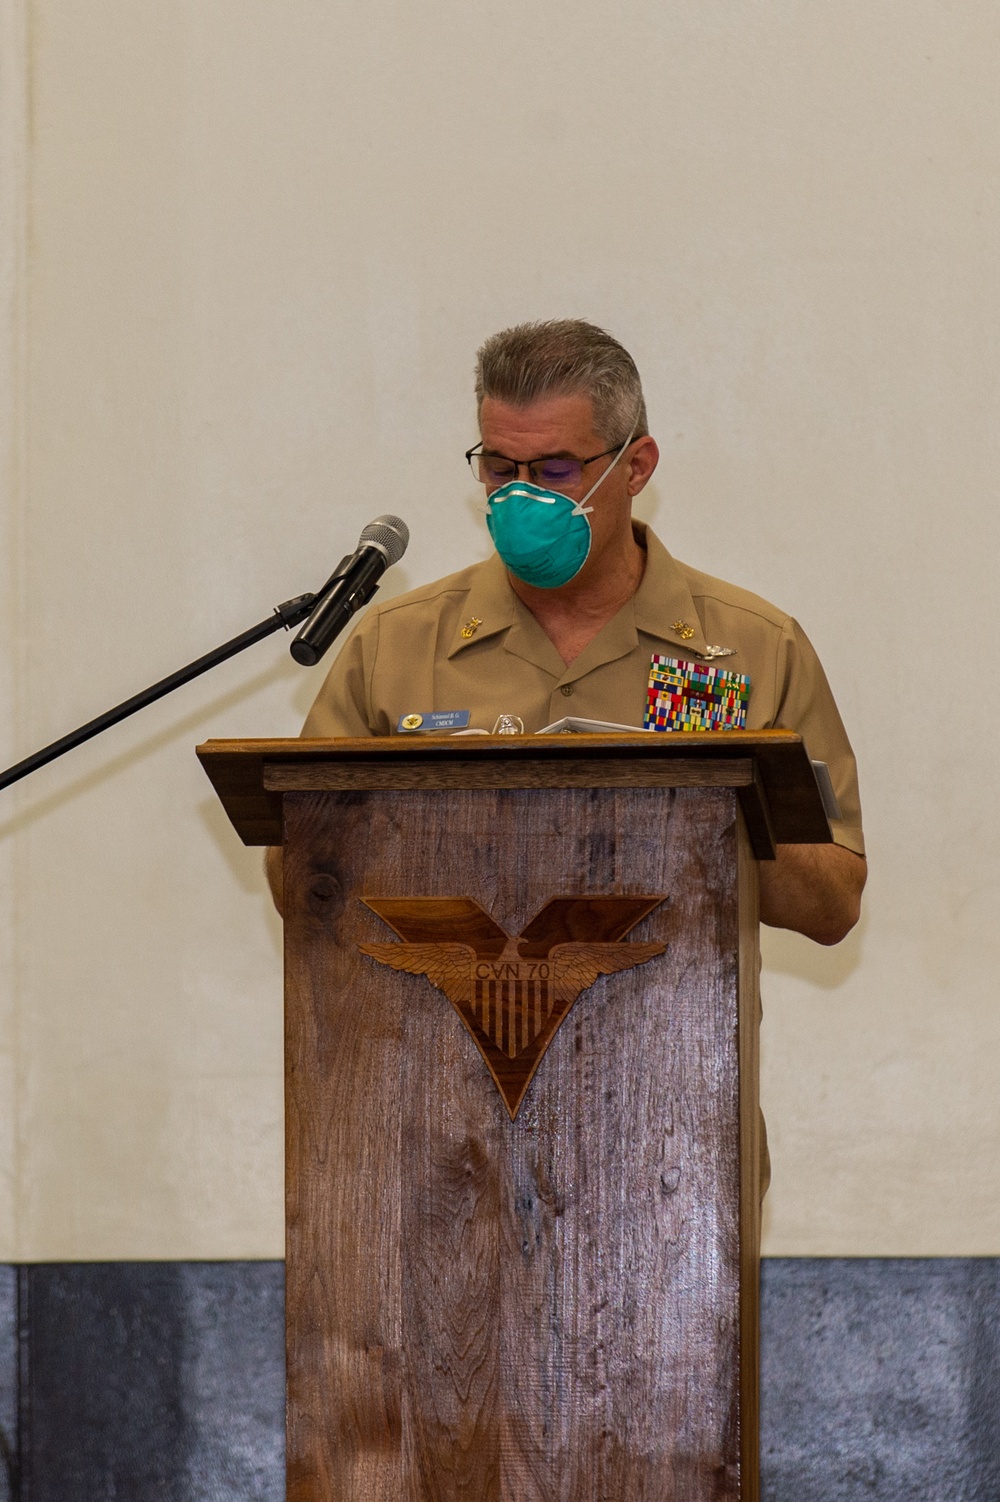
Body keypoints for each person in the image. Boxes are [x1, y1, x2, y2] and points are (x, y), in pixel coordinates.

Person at [266, 319, 866, 942]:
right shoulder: (394, 643)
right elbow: (301, 881)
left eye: (555, 471)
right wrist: (426, 811)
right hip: (434, 1029)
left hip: (670, 1029)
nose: (521, 496)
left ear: (636, 467)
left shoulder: (757, 645)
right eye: (499, 468)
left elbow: (833, 905)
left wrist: (702, 808)